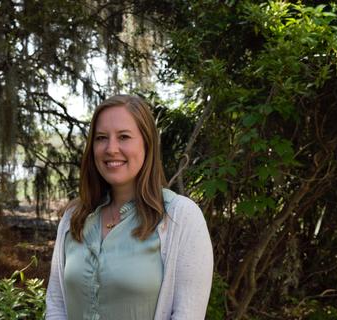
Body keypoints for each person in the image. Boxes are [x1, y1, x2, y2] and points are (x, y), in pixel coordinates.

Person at [46, 94, 213, 320]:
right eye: (101, 138)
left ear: (147, 143)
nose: (111, 148)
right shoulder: (74, 217)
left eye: (124, 137)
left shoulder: (181, 217)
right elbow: (56, 306)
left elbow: (188, 314)